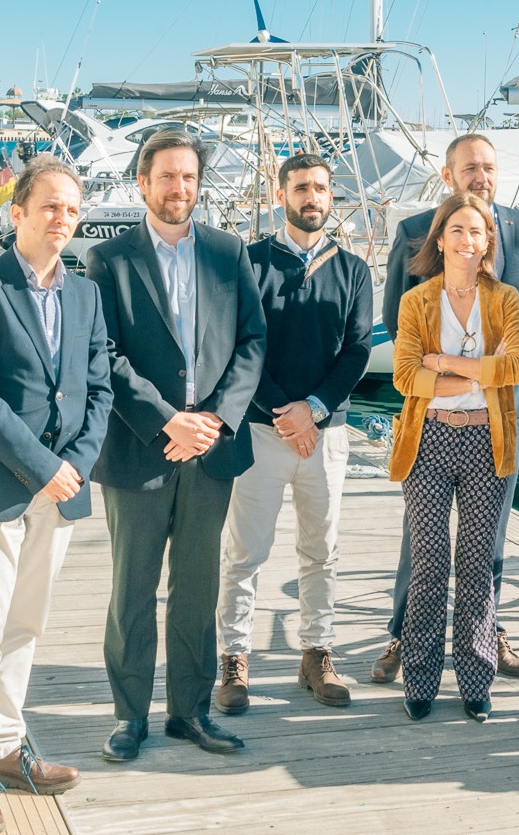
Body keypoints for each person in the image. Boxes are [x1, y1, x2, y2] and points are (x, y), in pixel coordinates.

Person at [0, 155, 111, 834]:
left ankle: (9, 746)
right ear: (16, 213)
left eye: (72, 208)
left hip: (59, 488)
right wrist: (43, 466)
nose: (63, 219)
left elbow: (96, 390)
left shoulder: (86, 293)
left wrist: (74, 465)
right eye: (50, 207)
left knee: (26, 625)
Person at [86, 127, 266, 761]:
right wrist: (168, 420)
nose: (179, 188)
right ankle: (129, 716)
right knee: (132, 587)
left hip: (212, 450)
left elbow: (252, 343)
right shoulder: (109, 260)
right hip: (141, 447)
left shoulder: (227, 251)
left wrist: (216, 419)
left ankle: (188, 713)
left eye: (188, 177)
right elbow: (103, 354)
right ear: (143, 182)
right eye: (166, 176)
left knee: (197, 588)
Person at [374, 133, 519, 684]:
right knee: (420, 537)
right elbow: (397, 315)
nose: (481, 176)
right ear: (448, 174)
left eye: (489, 167)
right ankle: (404, 634)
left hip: (498, 411)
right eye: (470, 167)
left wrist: (474, 365)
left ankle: (488, 636)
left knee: (488, 534)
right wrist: (446, 372)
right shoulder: (413, 231)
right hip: (431, 414)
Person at [214, 153, 372, 714]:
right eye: (302, 188)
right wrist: (286, 411)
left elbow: (357, 351)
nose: (313, 198)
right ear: (281, 194)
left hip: (325, 435)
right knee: (244, 553)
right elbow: (242, 345)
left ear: (332, 198)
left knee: (321, 551)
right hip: (261, 432)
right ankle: (233, 661)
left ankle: (317, 652)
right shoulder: (250, 263)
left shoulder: (353, 270)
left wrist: (315, 409)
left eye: (322, 189)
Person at [388, 192, 519, 722]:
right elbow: (405, 377)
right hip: (427, 440)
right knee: (427, 563)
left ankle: (476, 681)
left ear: (488, 240)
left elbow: (514, 366)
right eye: (457, 230)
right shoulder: (417, 301)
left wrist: (445, 364)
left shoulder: (505, 299)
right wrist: (475, 371)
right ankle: (418, 680)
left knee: (476, 566)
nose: (467, 240)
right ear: (440, 239)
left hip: (485, 443)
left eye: (477, 231)